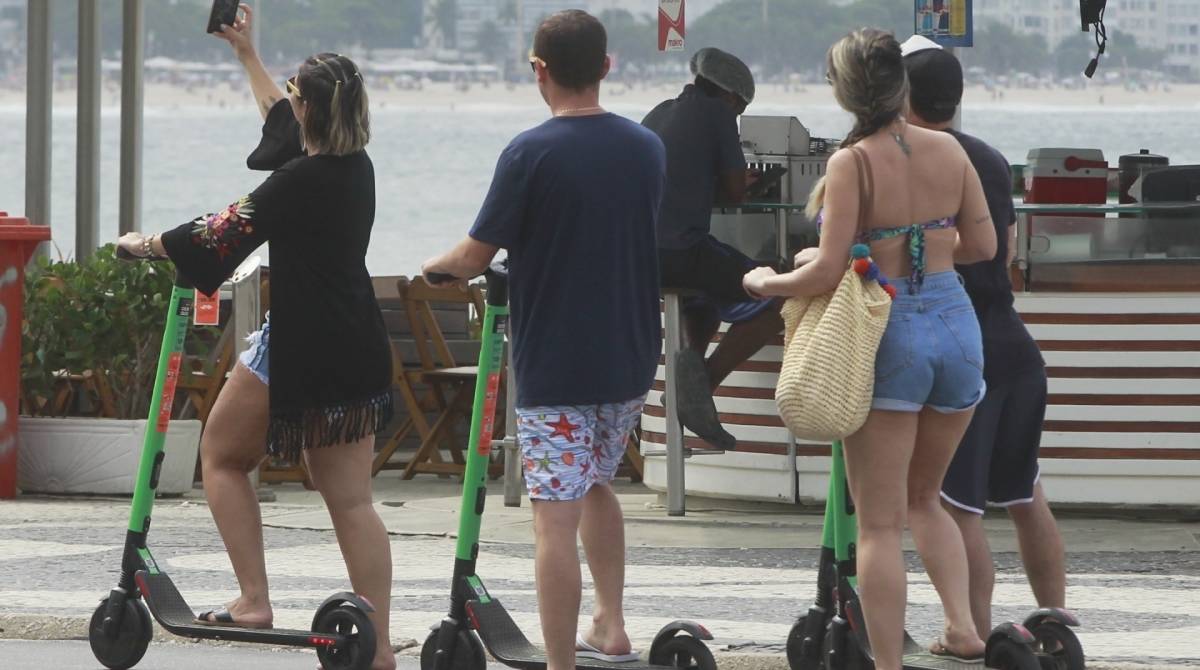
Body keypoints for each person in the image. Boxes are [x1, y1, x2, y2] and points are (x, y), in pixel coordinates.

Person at [116, 6, 396, 669]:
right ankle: (380, 645)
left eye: (297, 98)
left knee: (220, 455)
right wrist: (246, 53)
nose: (287, 106)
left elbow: (221, 231)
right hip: (356, 343)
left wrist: (146, 243)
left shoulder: (298, 181)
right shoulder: (354, 167)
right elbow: (281, 116)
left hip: (299, 342)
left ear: (313, 115)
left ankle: (253, 598)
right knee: (353, 500)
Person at [742, 29, 997, 670]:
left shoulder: (850, 162)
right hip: (958, 325)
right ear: (901, 85)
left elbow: (827, 273)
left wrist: (769, 281)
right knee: (927, 498)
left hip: (892, 334)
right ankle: (964, 628)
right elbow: (985, 248)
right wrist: (925, 248)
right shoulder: (951, 150)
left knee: (880, 522)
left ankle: (886, 662)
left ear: (844, 92)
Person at [421, 11, 665, 670]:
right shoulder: (647, 147)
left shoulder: (530, 152)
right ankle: (611, 626)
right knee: (598, 486)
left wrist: (435, 269)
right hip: (630, 353)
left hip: (557, 361)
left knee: (553, 515)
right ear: (607, 67)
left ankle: (560, 662)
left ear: (539, 69)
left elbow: (476, 254)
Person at [901, 35, 1067, 637]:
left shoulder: (910, 160)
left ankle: (971, 631)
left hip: (963, 346)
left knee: (958, 506)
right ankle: (1055, 621)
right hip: (1016, 344)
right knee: (1025, 493)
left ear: (902, 96)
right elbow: (1010, 250)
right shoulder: (992, 159)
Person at [642, 47, 782, 450]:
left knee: (702, 299)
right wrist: (747, 182)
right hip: (680, 251)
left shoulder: (661, 111)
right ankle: (700, 386)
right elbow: (736, 192)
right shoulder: (718, 114)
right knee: (775, 296)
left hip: (640, 255)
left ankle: (689, 381)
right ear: (731, 98)